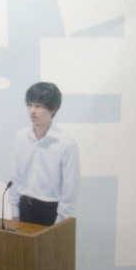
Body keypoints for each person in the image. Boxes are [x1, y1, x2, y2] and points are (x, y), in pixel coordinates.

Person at [8, 82, 80, 226]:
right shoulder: (20, 137)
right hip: (25, 206)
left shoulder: (66, 143)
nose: (32, 111)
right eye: (29, 105)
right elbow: (15, 175)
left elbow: (70, 186)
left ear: (53, 108)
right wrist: (15, 210)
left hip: (51, 210)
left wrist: (61, 221)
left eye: (38, 106)